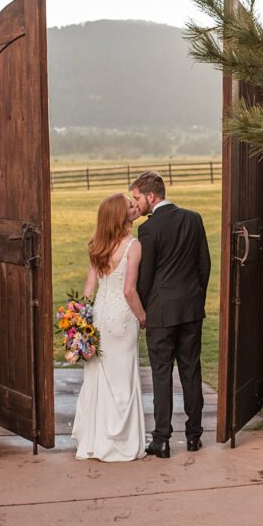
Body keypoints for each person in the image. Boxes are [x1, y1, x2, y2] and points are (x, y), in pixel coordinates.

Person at [130, 171, 211, 458]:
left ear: (151, 196)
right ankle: (193, 436)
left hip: (161, 312)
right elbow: (205, 265)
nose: (135, 204)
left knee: (161, 374)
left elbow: (145, 277)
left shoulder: (149, 230)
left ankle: (161, 440)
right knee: (191, 371)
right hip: (191, 309)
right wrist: (196, 299)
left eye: (137, 198)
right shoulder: (194, 218)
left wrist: (143, 310)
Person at [71, 193, 147, 462]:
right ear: (119, 215)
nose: (133, 207)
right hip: (123, 318)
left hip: (99, 315)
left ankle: (94, 440)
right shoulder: (133, 245)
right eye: (130, 206)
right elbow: (129, 291)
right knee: (123, 375)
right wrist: (143, 317)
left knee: (98, 374)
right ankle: (120, 441)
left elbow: (90, 287)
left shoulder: (96, 245)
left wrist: (81, 320)